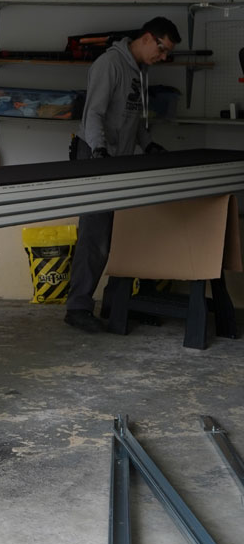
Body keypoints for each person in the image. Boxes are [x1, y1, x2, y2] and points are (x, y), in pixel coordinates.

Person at [63, 17, 181, 333]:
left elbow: (134, 118)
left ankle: (117, 303)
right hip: (96, 155)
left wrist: (148, 144)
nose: (163, 57)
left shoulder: (140, 71)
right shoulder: (109, 65)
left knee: (124, 232)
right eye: (162, 49)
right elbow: (93, 114)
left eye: (167, 53)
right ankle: (77, 308)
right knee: (95, 235)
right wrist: (99, 153)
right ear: (147, 38)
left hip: (122, 157)